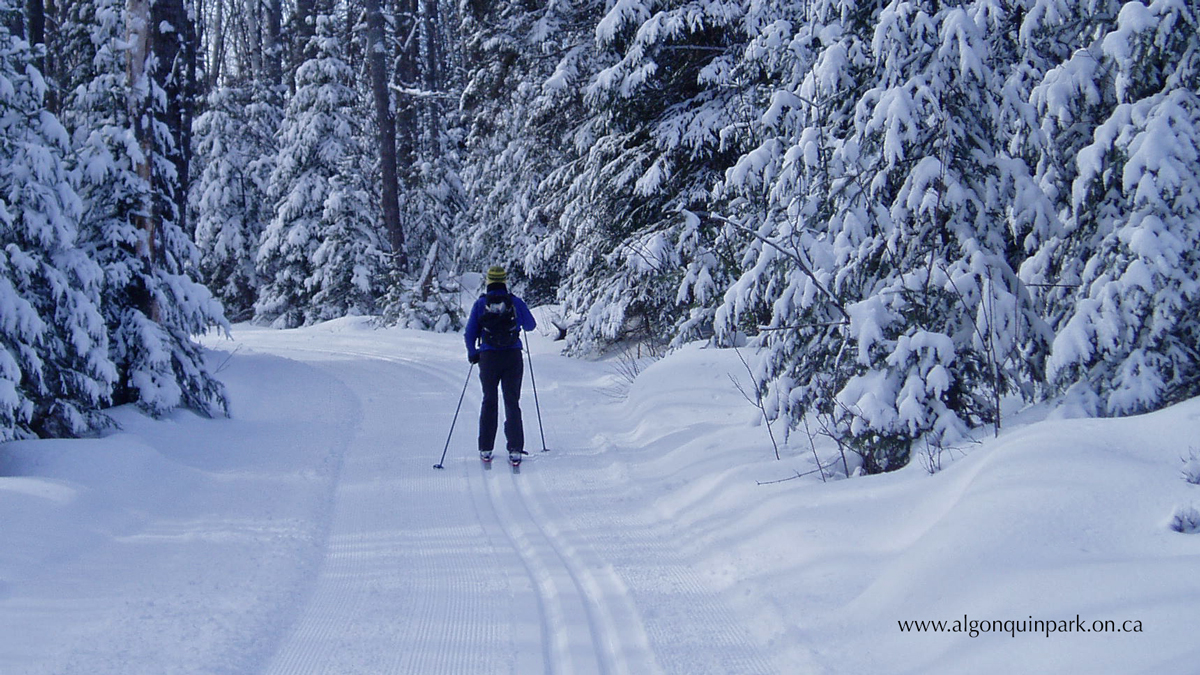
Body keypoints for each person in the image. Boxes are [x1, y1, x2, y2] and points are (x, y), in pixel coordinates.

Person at [464, 266, 537, 464]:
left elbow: (469, 333)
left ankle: (486, 448)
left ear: (488, 281)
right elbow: (531, 325)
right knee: (512, 401)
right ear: (504, 281)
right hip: (512, 356)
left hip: (488, 358)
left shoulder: (480, 304)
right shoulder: (514, 302)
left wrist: (473, 353)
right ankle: (515, 449)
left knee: (489, 400)